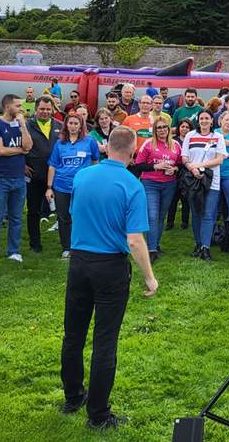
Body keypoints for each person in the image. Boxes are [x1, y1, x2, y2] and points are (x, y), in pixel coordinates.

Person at [60, 126, 157, 431]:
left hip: (79, 262)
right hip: (110, 267)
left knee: (73, 334)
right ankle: (98, 413)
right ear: (132, 151)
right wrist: (149, 278)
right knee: (105, 341)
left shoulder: (83, 176)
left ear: (106, 147)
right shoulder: (131, 185)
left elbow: (75, 214)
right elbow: (135, 240)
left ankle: (73, 396)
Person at [0, 94, 33, 270]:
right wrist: (20, 150)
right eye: (18, 105)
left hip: (19, 180)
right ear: (7, 107)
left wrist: (22, 126)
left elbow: (28, 147)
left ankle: (13, 251)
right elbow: (0, 151)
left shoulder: (21, 124)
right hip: (0, 179)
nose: (21, 108)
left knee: (16, 218)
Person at [46, 114, 100, 259]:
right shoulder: (60, 143)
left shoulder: (89, 141)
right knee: (64, 218)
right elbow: (53, 165)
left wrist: (93, 181)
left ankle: (83, 246)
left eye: (77, 123)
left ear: (81, 125)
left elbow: (95, 161)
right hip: (61, 186)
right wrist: (49, 187)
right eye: (71, 123)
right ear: (66, 125)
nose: (74, 126)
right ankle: (67, 247)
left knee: (82, 217)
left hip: (82, 187)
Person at [181, 110, 226, 261]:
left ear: (212, 121)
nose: (204, 121)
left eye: (207, 118)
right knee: (196, 213)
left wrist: (200, 165)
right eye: (202, 118)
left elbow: (219, 159)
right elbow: (184, 157)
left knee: (208, 214)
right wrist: (192, 168)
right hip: (193, 180)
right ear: (198, 120)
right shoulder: (190, 135)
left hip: (211, 181)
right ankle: (198, 244)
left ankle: (206, 247)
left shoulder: (217, 137)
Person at [134, 118, 182, 261]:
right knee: (152, 216)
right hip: (150, 183)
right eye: (159, 128)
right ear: (155, 130)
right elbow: (138, 164)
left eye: (164, 127)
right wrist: (156, 166)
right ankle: (151, 249)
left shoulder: (176, 145)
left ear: (169, 129)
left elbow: (181, 165)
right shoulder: (148, 144)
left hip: (169, 184)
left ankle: (156, 245)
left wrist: (174, 169)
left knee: (161, 216)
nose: (162, 130)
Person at [25, 96, 62, 252]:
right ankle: (35, 243)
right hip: (35, 174)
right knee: (34, 210)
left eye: (48, 109)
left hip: (57, 175)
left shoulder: (60, 126)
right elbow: (18, 145)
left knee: (62, 210)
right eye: (42, 109)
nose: (45, 112)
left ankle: (66, 243)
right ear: (36, 109)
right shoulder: (26, 126)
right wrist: (22, 164)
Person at [165, 119, 194, 230]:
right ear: (178, 128)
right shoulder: (172, 140)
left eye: (187, 127)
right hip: (174, 173)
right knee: (173, 199)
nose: (184, 129)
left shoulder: (192, 140)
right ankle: (170, 222)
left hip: (187, 172)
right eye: (182, 126)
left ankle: (185, 222)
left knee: (185, 198)